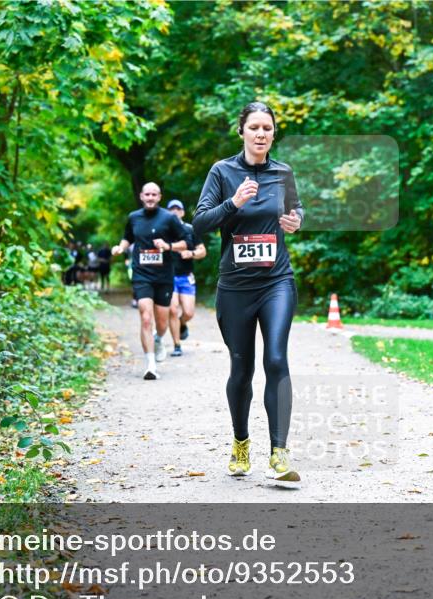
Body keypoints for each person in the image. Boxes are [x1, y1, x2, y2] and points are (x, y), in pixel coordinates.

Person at [192, 101, 304, 488]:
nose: (260, 134)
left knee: (276, 359)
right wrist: (233, 202)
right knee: (242, 370)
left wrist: (296, 220)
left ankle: (279, 453)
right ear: (241, 130)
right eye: (254, 127)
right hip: (236, 287)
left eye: (267, 128)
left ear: (273, 134)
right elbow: (199, 224)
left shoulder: (282, 172)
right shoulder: (222, 172)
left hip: (276, 281)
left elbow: (297, 209)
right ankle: (241, 443)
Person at [112, 182, 188, 380]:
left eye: (154, 194)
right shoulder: (133, 217)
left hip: (163, 276)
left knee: (162, 322)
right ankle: (151, 365)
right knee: (146, 317)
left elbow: (185, 243)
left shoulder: (169, 218)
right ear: (141, 196)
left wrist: (168, 246)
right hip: (141, 274)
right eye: (147, 194)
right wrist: (120, 248)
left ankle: (159, 338)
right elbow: (127, 238)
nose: (150, 198)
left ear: (159, 197)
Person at [166, 199, 206, 357]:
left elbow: (202, 251)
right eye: (171, 209)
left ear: (182, 212)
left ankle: (182, 323)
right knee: (172, 309)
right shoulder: (163, 230)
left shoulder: (190, 229)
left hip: (186, 276)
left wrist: (191, 253)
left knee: (189, 313)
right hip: (168, 277)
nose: (175, 211)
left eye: (178, 209)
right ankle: (177, 345)